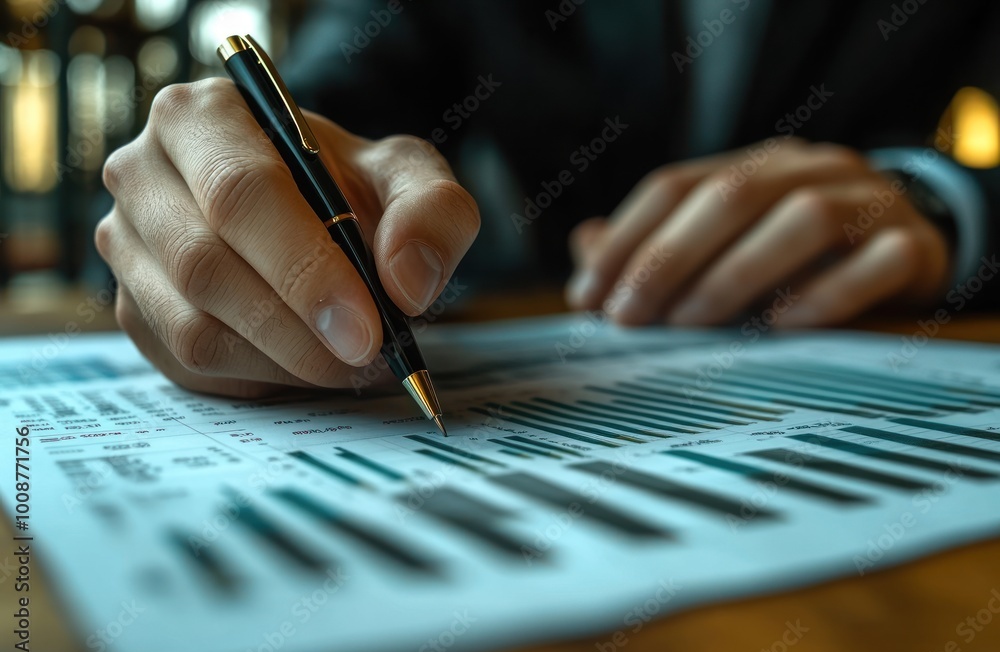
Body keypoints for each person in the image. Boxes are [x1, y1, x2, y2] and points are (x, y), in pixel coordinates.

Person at [95, 0, 1000, 398]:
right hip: (581, 341)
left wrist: (949, 207)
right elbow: (323, 110)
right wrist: (225, 187)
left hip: (863, 342)